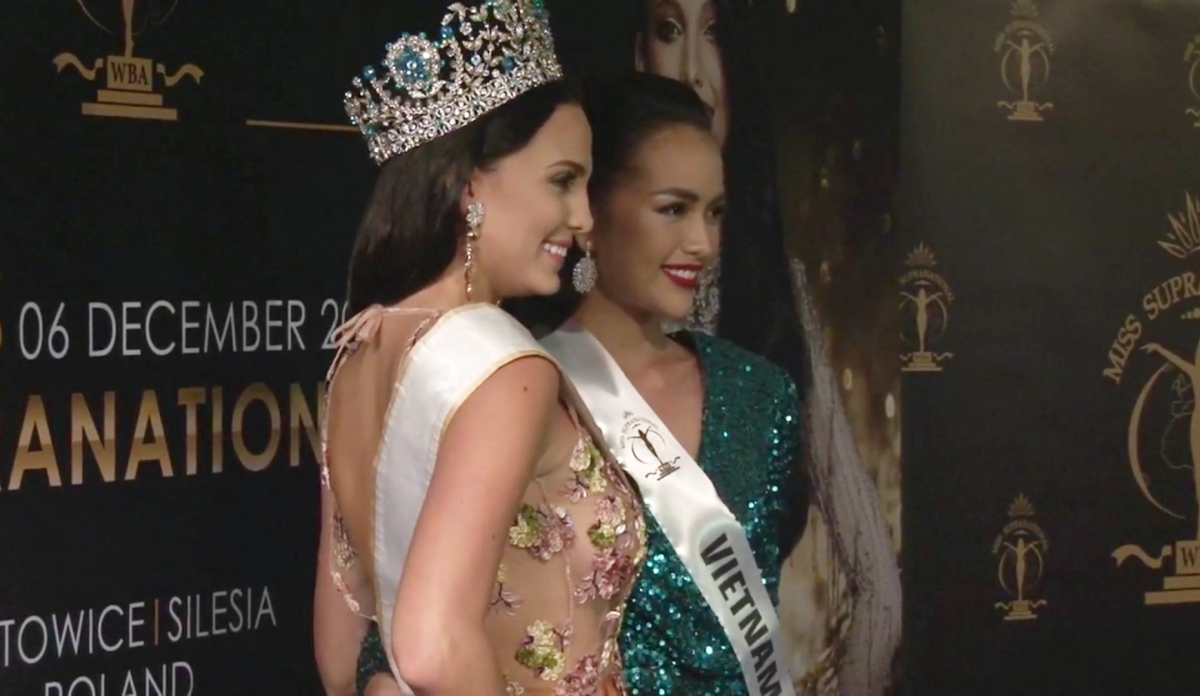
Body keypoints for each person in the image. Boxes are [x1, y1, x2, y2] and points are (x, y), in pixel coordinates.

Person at [313, 3, 647, 695]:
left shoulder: (360, 349)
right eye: (562, 180)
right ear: (468, 186)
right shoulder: (502, 367)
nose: (584, 217)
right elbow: (431, 646)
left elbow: (341, 650)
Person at [634, 1, 903, 692]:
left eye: (714, 34)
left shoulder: (773, 306)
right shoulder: (553, 335)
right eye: (669, 31)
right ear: (639, 55)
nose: (693, 71)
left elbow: (877, 586)